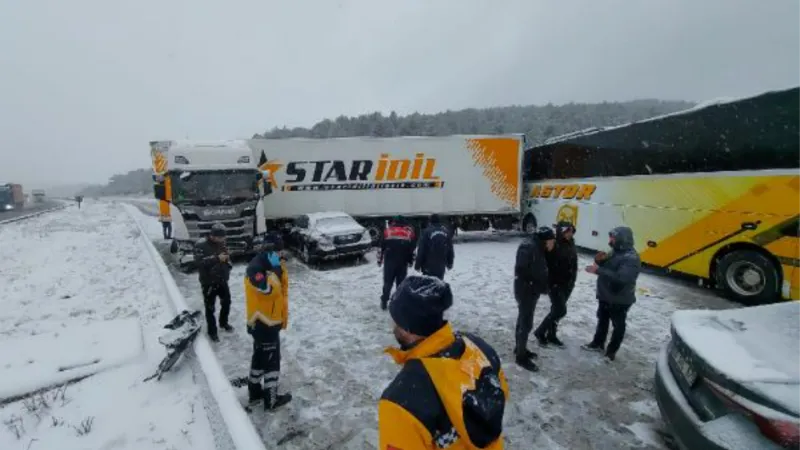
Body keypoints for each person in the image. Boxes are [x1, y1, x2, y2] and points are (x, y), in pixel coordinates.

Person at [379, 275, 509, 449]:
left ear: (407, 328)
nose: (393, 325)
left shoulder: (400, 402)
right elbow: (500, 396)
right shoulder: (479, 348)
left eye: (395, 320)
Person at [243, 236, 292, 410]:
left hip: (266, 322)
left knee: (259, 358)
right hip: (264, 323)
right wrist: (275, 269)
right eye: (279, 252)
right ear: (271, 251)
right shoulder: (257, 268)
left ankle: (255, 392)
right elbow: (270, 291)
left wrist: (277, 267)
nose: (281, 255)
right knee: (271, 361)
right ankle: (270, 400)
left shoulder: (267, 263)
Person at [582, 226, 641, 362]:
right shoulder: (615, 251)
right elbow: (608, 265)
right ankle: (598, 343)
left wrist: (598, 271)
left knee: (618, 326)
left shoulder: (631, 258)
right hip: (606, 295)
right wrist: (599, 261)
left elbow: (622, 278)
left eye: (613, 238)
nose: (610, 240)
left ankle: (611, 352)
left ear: (622, 239)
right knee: (602, 320)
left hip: (620, 299)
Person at [513, 226, 555, 372]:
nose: (552, 244)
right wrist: (535, 285)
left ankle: (519, 348)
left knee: (523, 320)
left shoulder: (537, 246)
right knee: (526, 323)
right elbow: (522, 270)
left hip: (531, 290)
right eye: (551, 241)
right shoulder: (528, 247)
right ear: (545, 240)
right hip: (526, 291)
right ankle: (520, 356)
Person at [534, 221, 578, 348]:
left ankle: (551, 335)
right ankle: (540, 331)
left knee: (556, 310)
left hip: (568, 283)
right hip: (555, 283)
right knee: (560, 310)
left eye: (572, 231)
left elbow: (573, 263)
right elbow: (544, 261)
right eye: (568, 231)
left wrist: (573, 279)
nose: (570, 234)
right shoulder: (554, 244)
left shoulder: (571, 243)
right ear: (562, 231)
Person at [193, 223, 233, 341]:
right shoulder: (200, 245)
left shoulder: (221, 243)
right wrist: (216, 258)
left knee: (226, 303)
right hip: (208, 282)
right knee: (210, 308)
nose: (222, 240)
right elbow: (199, 263)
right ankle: (212, 332)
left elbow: (226, 258)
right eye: (221, 238)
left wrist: (228, 263)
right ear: (213, 236)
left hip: (222, 280)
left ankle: (223, 322)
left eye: (224, 238)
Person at [377, 216, 416, 310]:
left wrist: (379, 260)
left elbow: (380, 247)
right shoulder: (409, 232)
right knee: (401, 283)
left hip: (389, 261)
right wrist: (411, 261)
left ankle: (384, 301)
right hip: (403, 261)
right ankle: (399, 303)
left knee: (388, 282)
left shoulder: (387, 231)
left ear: (394, 222)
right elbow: (412, 249)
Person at [414, 214, 454, 280]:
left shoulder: (426, 232)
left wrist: (417, 265)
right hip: (441, 265)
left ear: (430, 222)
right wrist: (450, 263)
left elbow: (421, 250)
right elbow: (450, 249)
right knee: (438, 283)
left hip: (428, 265)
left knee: (429, 285)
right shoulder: (446, 232)